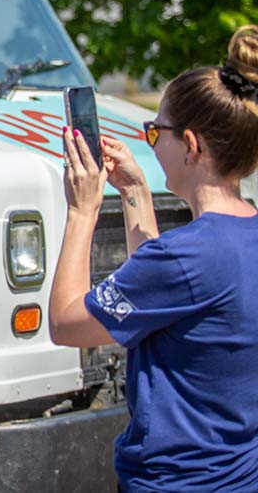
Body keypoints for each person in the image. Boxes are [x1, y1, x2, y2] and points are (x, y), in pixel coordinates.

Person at [50, 26, 258, 492]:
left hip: (175, 480)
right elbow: (161, 300)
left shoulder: (187, 255)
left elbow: (65, 323)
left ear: (191, 144)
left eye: (154, 130)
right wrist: (136, 192)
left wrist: (83, 209)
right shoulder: (237, 238)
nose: (150, 141)